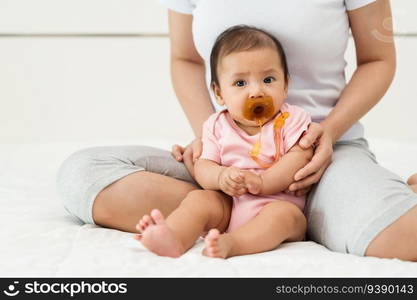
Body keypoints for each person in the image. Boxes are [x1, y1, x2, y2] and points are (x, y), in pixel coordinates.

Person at [56, 0, 417, 261]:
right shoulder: (219, 131)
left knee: (407, 238)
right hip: (232, 169)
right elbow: (185, 58)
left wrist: (329, 132)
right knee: (83, 174)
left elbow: (378, 59)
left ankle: (318, 208)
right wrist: (208, 143)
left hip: (325, 153)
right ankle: (255, 217)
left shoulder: (306, 129)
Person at [134, 25, 313, 258]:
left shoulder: (292, 119)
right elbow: (204, 165)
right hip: (231, 207)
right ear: (219, 94)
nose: (257, 91)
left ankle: (234, 244)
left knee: (282, 216)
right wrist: (220, 177)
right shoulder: (216, 126)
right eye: (240, 83)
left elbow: (300, 158)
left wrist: (262, 182)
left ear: (286, 85)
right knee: (200, 199)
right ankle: (174, 236)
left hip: (278, 207)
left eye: (268, 79)